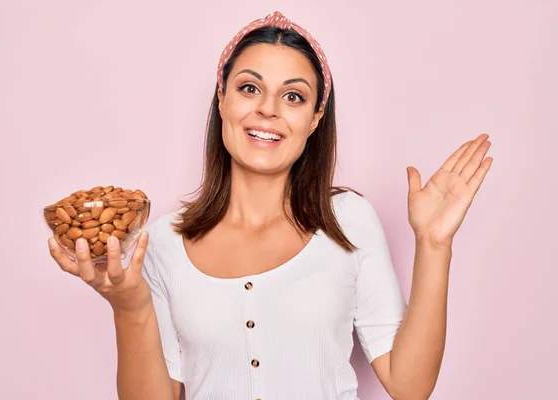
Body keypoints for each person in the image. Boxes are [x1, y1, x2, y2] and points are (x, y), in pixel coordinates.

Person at [48, 11, 493, 400]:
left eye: (294, 96)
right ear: (222, 99)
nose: (268, 110)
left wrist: (434, 243)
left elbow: (409, 386)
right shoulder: (163, 241)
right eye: (249, 88)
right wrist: (129, 306)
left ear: (316, 118)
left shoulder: (349, 221)